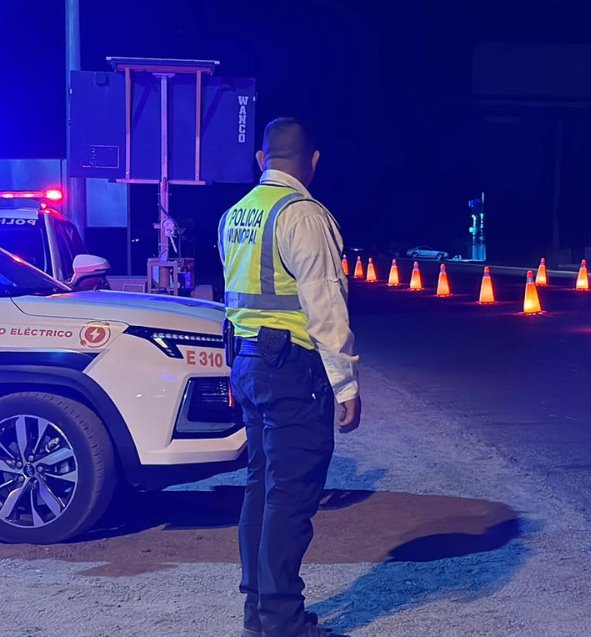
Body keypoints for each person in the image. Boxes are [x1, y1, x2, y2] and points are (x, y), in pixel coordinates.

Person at [220, 117, 362, 637]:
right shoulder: (302, 216)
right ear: (313, 161)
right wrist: (345, 382)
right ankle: (281, 621)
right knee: (290, 496)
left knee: (261, 489)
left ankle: (259, 613)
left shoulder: (237, 214)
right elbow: (325, 305)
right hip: (292, 370)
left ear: (262, 159)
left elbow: (237, 300)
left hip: (249, 364)